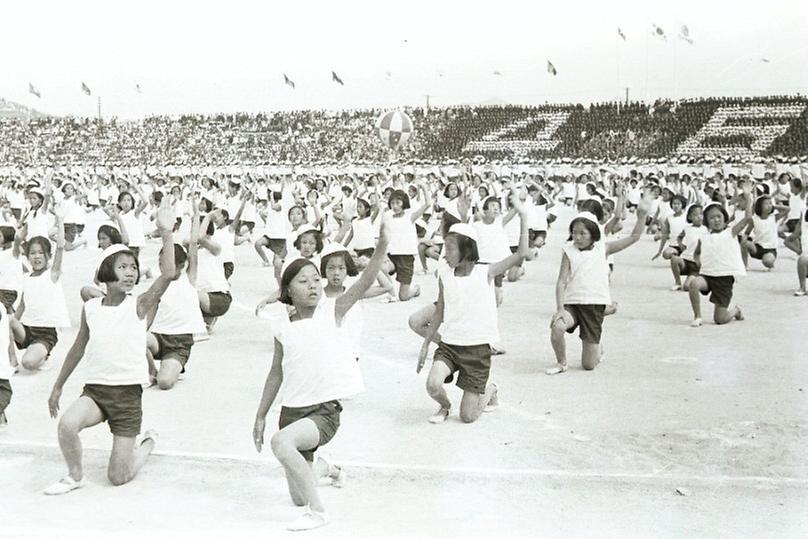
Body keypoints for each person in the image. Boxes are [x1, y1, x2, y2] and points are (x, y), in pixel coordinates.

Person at [252, 215, 391, 531]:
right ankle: (327, 469)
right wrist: (260, 415)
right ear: (287, 289)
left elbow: (366, 280)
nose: (313, 284)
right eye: (303, 281)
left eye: (316, 278)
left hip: (323, 413)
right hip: (291, 412)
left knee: (281, 444)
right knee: (296, 496)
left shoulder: (334, 310)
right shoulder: (281, 326)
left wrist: (382, 245)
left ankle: (319, 512)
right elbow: (275, 373)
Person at [43, 197, 176, 495]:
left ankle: (149, 443)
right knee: (66, 425)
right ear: (106, 272)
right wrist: (58, 386)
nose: (131, 272)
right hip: (96, 392)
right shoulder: (91, 307)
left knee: (118, 476)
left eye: (133, 267)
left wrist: (166, 233)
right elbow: (77, 348)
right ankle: (74, 475)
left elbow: (168, 273)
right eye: (123, 266)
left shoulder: (139, 305)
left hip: (127, 397)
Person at [417, 188, 529, 424]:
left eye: (449, 249)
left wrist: (523, 215)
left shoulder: (485, 272)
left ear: (466, 251)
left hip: (477, 350)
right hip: (450, 345)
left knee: (468, 416)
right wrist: (426, 344)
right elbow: (440, 311)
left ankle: (491, 390)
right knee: (433, 384)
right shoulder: (445, 273)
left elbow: (521, 254)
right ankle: (445, 406)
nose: (443, 253)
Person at [546, 189, 652, 374]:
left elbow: (634, 237)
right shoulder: (568, 249)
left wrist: (642, 216)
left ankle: (598, 347)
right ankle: (561, 363)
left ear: (593, 234)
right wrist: (560, 309)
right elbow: (561, 281)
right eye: (574, 232)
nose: (577, 237)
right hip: (573, 304)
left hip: (594, 305)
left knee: (588, 365)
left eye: (582, 233)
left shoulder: (603, 248)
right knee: (557, 327)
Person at [146, 199, 206, 390]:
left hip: (179, 342)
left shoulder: (189, 277)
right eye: (161, 261)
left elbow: (194, 244)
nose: (163, 265)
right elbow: (151, 308)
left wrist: (196, 216)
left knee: (165, 384)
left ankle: (171, 369)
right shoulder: (159, 281)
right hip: (158, 336)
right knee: (137, 338)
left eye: (168, 262)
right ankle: (151, 371)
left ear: (182, 265)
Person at [10, 210, 70, 371]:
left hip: (45, 334)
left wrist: (60, 220)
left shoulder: (53, 274)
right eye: (32, 253)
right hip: (27, 329)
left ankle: (44, 354)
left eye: (40, 253)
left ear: (47, 256)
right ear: (28, 256)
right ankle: (12, 362)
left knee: (29, 363)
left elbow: (61, 247)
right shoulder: (28, 276)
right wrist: (11, 325)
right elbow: (22, 305)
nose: (36, 257)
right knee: (8, 320)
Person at [687, 183, 753, 327]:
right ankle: (697, 316)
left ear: (724, 217)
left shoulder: (731, 232)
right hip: (708, 276)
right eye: (712, 218)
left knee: (720, 319)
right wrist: (698, 262)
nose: (716, 220)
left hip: (724, 278)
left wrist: (748, 198)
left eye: (719, 216)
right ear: (706, 222)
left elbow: (748, 218)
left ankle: (735, 311)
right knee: (694, 284)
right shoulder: (704, 236)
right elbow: (697, 253)